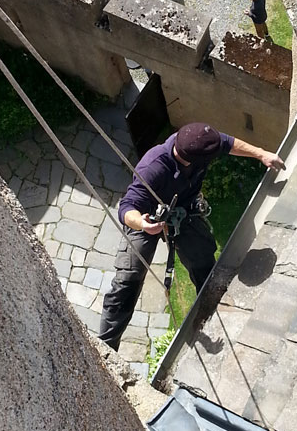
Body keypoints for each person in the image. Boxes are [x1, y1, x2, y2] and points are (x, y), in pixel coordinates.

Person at [98, 122, 285, 351]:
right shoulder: (154, 167)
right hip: (146, 216)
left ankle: (207, 309)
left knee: (204, 261)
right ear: (194, 159)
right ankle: (106, 347)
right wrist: (143, 224)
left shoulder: (198, 140)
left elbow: (229, 144)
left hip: (182, 210)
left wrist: (261, 154)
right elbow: (127, 207)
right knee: (128, 280)